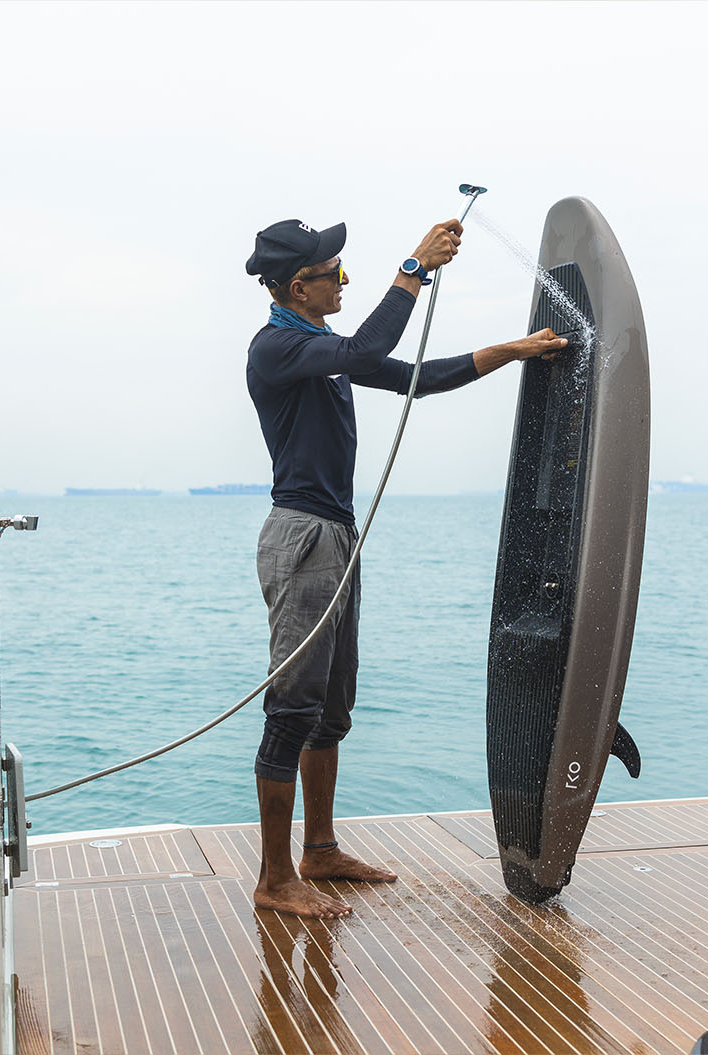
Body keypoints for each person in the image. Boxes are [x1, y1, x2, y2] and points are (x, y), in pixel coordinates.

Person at [242, 216, 570, 918]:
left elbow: (412, 376)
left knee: (331, 710)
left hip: (335, 537)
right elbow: (371, 344)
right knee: (292, 708)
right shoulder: (277, 347)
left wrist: (510, 351)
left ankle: (319, 849)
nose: (344, 280)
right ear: (300, 286)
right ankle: (273, 878)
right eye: (336, 273)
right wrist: (414, 269)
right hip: (302, 538)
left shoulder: (318, 348)